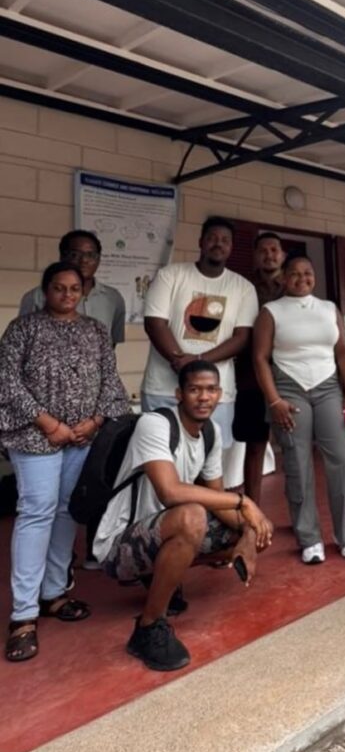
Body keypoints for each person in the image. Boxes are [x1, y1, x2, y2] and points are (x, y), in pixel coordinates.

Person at [94, 360, 273, 671]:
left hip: (162, 531)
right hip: (118, 546)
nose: (204, 397)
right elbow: (170, 492)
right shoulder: (155, 424)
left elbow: (219, 501)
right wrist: (243, 500)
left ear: (220, 394)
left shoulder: (211, 433)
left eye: (211, 390)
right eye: (194, 390)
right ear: (179, 394)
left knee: (257, 527)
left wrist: (249, 530)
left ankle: (165, 574)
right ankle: (148, 627)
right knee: (192, 516)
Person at [1, 261, 130, 663]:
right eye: (59, 288)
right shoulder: (23, 329)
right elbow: (7, 382)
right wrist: (48, 423)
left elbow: (110, 381)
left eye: (74, 289)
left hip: (81, 437)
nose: (68, 295)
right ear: (45, 291)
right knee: (37, 511)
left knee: (65, 512)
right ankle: (23, 615)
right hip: (35, 436)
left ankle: (53, 593)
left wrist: (94, 421)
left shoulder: (95, 331)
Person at [253, 254, 345, 565]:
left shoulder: (329, 309)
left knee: (343, 458)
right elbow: (260, 359)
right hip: (288, 389)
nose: (302, 279)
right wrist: (274, 401)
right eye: (294, 274)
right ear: (284, 278)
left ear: (315, 276)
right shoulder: (271, 312)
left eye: (307, 273)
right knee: (298, 464)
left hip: (328, 387)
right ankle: (309, 538)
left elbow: (342, 352)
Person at [141, 217, 258, 481]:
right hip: (164, 389)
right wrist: (181, 362)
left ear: (231, 247)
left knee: (210, 465)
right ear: (201, 242)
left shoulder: (243, 288)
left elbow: (242, 337)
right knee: (161, 463)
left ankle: (204, 509)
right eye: (212, 238)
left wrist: (198, 363)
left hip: (216, 394)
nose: (218, 244)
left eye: (225, 240)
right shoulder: (170, 275)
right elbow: (155, 324)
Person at [233, 232, 286, 505]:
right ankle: (252, 509)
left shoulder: (294, 286)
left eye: (274, 250)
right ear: (255, 256)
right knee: (255, 446)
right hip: (250, 378)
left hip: (289, 377)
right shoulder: (244, 289)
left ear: (282, 255)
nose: (269, 255)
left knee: (295, 447)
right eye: (263, 250)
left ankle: (300, 512)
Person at [19, 230, 126, 346]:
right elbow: (22, 341)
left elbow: (111, 344)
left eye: (91, 255)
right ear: (62, 256)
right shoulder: (36, 296)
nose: (84, 260)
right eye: (75, 254)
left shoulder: (113, 298)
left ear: (98, 259)